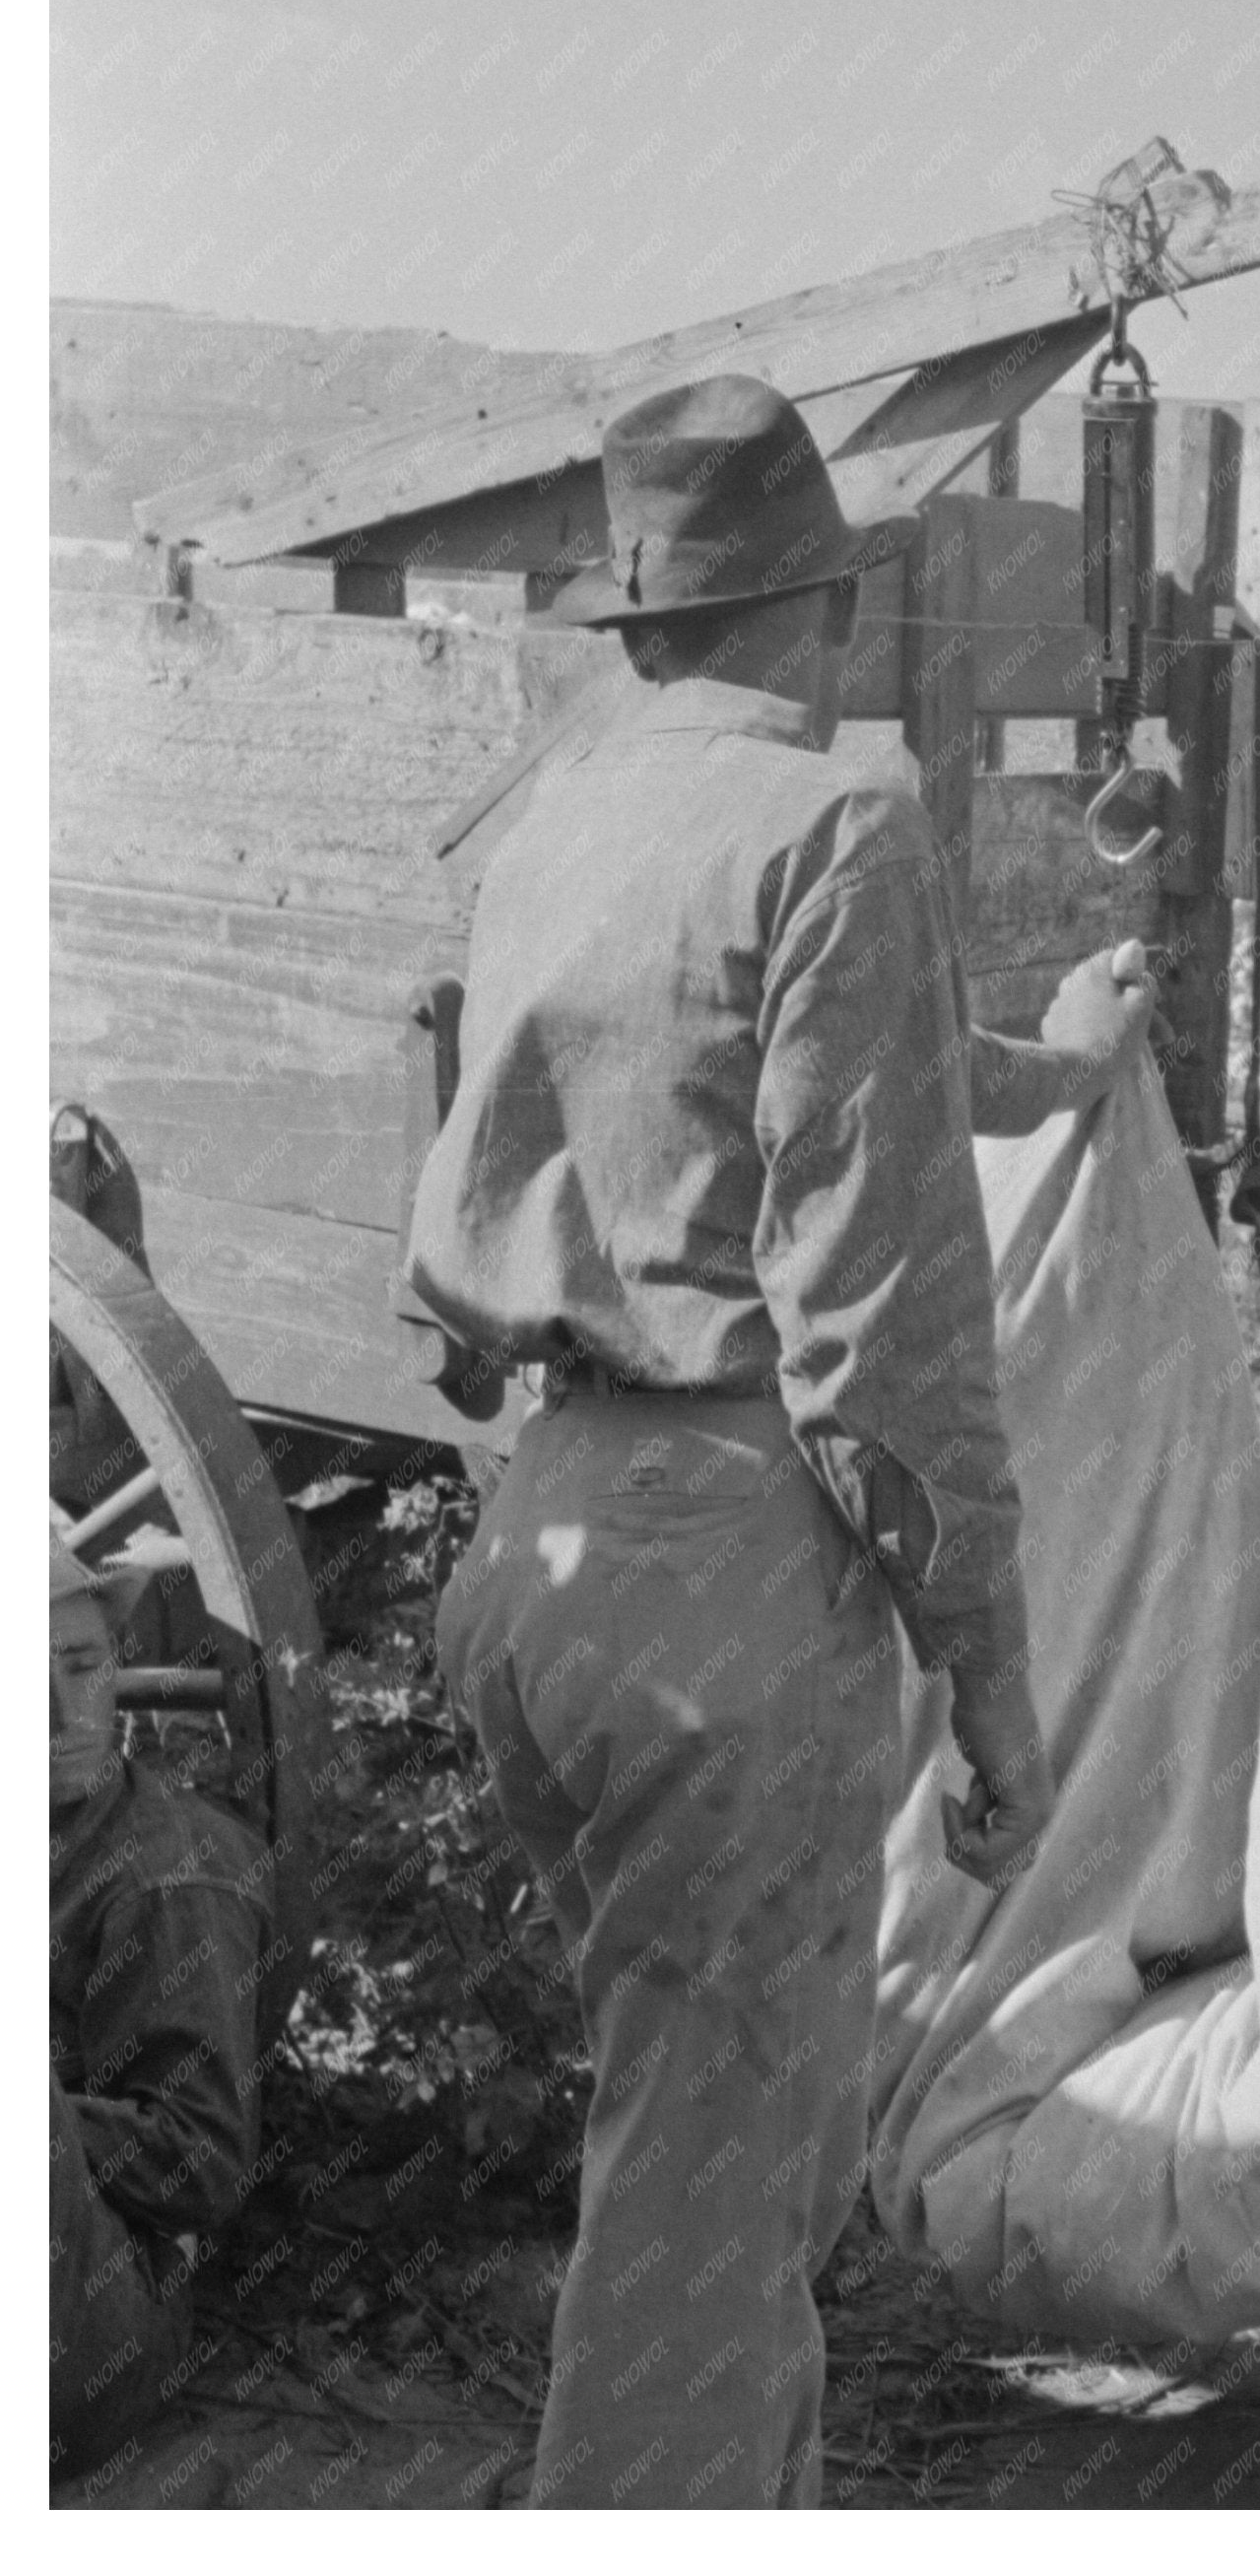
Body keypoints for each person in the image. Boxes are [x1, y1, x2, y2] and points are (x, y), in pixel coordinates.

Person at [405, 372, 1151, 2509]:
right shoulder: (844, 814)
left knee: (714, 2150)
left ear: (635, 623)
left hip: (550, 1558)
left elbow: (711, 1089)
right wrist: (996, 1690)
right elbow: (886, 1337)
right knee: (708, 2228)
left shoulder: (564, 816)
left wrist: (1039, 1062)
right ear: (821, 603)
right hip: (735, 1588)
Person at [50, 1523, 270, 2482]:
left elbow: (205, 2164)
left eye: (81, 1666)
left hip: (100, 2327)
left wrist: (47, 2119)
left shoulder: (162, 1880)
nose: (62, 1714)